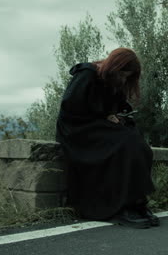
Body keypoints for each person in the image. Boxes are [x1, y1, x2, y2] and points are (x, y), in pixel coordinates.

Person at [55, 48, 159, 228]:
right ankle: (120, 206)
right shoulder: (87, 74)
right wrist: (103, 116)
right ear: (115, 66)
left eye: (128, 76)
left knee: (138, 143)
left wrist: (116, 116)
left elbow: (116, 106)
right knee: (124, 144)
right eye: (123, 73)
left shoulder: (113, 81)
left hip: (96, 126)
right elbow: (70, 107)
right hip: (77, 130)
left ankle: (137, 202)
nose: (124, 78)